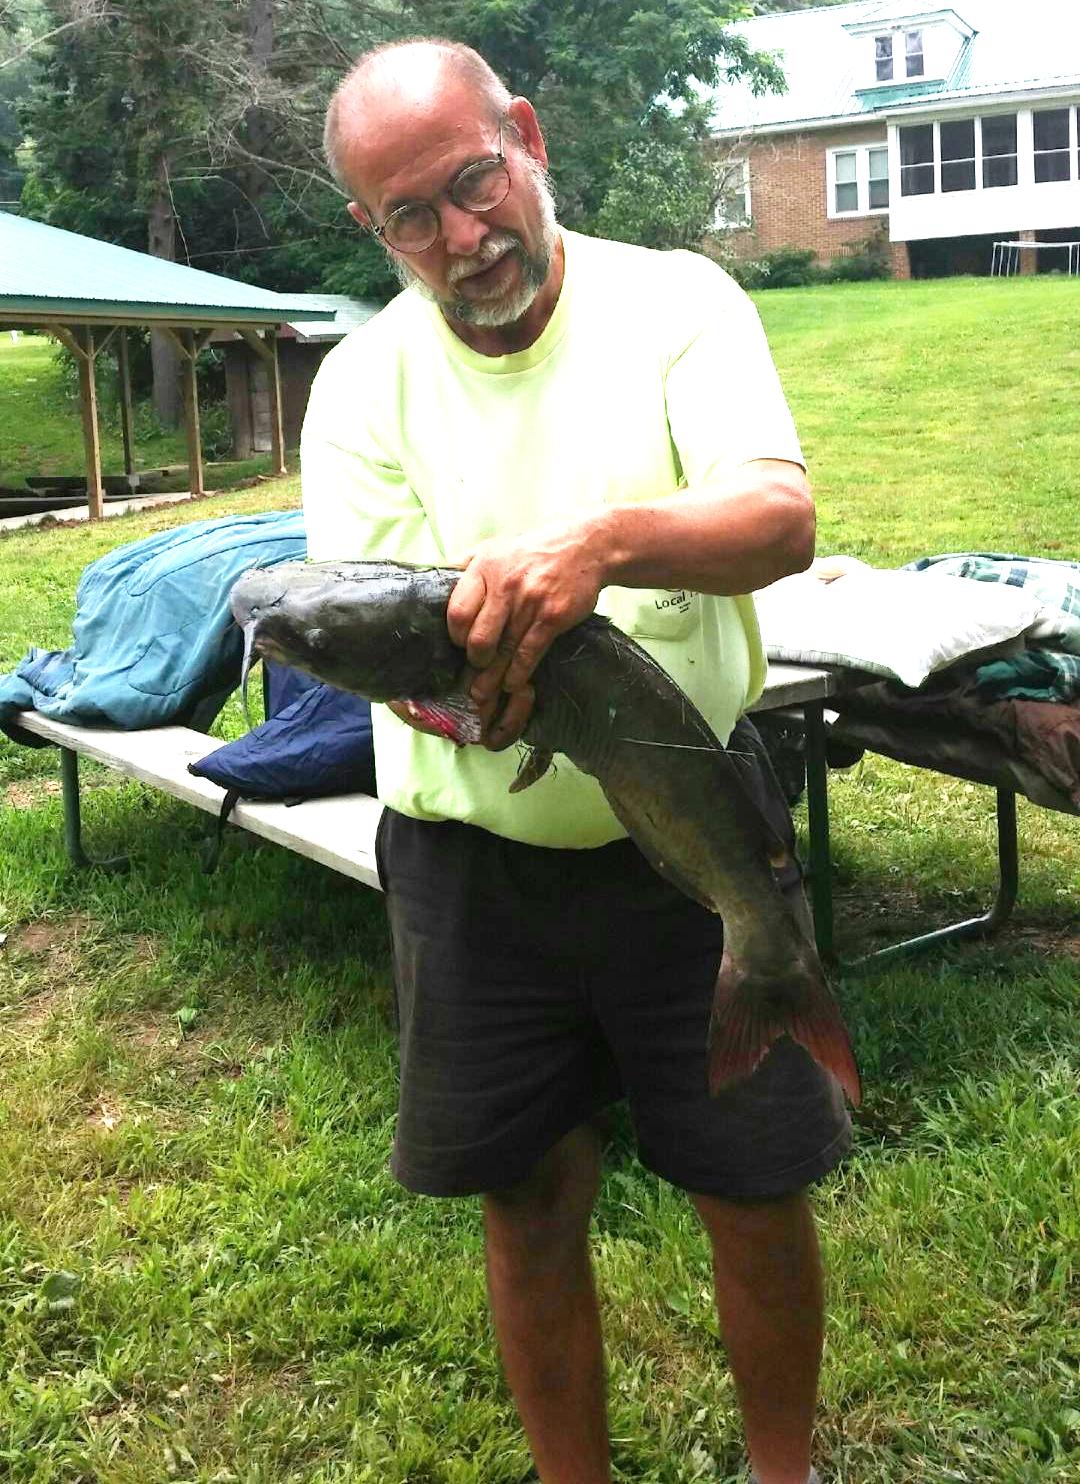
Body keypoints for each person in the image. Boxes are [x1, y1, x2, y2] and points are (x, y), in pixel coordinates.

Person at [302, 37, 849, 1484]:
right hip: (471, 869)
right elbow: (388, 638)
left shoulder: (677, 301)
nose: (461, 236)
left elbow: (777, 519)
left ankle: (783, 1473)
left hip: (699, 830)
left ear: (528, 139)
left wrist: (599, 543)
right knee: (528, 1201)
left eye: (474, 183)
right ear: (371, 227)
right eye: (410, 216)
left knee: (752, 1189)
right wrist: (460, 697)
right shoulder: (360, 384)